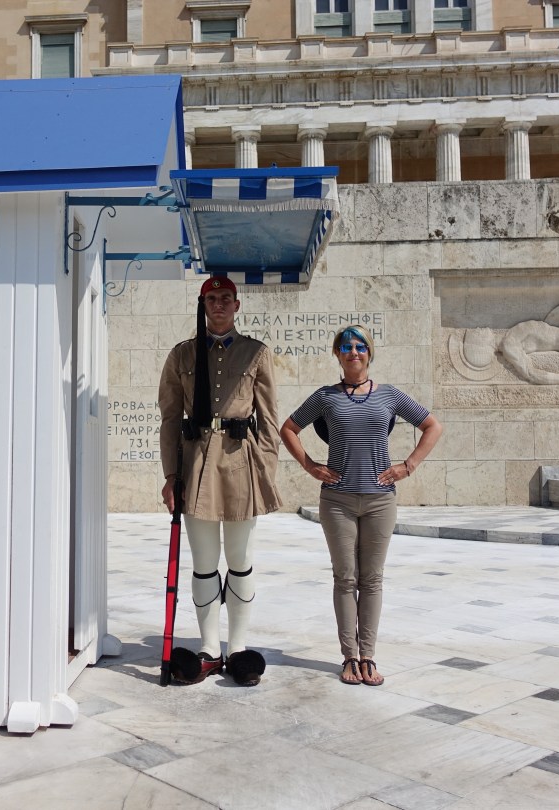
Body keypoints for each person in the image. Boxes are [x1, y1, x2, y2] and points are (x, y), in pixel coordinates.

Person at [280, 325, 442, 686]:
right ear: (337, 354)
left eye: (359, 346)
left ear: (369, 352)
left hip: (380, 501)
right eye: (345, 347)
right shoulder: (326, 397)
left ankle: (368, 656)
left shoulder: (390, 396)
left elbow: (432, 426)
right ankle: (349, 657)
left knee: (371, 579)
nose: (353, 352)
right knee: (345, 578)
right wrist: (310, 465)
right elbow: (288, 428)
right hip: (337, 500)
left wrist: (408, 466)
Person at [158, 275, 282, 686]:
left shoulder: (256, 353)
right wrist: (171, 476)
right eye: (212, 299)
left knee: (240, 561)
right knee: (204, 563)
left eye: (226, 298)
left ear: (237, 305)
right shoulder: (182, 354)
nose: (219, 305)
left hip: (240, 462)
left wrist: (264, 470)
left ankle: (239, 646)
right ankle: (210, 648)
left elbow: (269, 419)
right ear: (203, 304)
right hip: (196, 465)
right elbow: (170, 418)